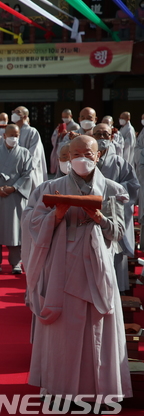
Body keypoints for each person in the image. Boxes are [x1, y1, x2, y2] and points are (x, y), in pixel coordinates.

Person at [22, 135, 132, 402]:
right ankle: (61, 390)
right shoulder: (50, 187)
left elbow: (118, 232)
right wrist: (57, 214)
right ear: (68, 157)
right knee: (64, 330)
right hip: (62, 262)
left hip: (96, 265)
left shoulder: (112, 188)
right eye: (76, 153)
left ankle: (99, 393)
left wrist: (100, 218)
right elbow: (32, 225)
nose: (83, 158)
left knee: (97, 325)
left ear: (99, 155)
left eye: (89, 153)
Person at [92, 124, 139, 292]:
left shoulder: (120, 162)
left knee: (115, 254)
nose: (102, 137)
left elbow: (133, 187)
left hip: (113, 214)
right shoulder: (87, 160)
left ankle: (117, 291)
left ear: (111, 137)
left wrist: (113, 190)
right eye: (98, 134)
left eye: (105, 134)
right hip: (92, 214)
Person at [0, 125, 33, 274]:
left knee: (15, 231)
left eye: (16, 135)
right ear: (4, 136)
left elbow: (28, 174)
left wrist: (14, 187)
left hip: (15, 196)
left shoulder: (25, 153)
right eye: (11, 135)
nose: (14, 138)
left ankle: (16, 263)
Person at [11, 106, 47, 188]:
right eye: (13, 112)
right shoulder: (11, 131)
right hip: (13, 172)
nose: (14, 114)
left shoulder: (32, 132)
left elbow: (34, 154)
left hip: (28, 172)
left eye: (18, 112)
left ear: (25, 116)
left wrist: (23, 167)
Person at [50, 109, 79, 173]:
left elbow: (76, 138)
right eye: (63, 117)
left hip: (70, 149)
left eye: (66, 117)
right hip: (61, 148)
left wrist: (67, 134)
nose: (64, 119)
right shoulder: (61, 125)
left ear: (70, 116)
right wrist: (58, 133)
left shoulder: (75, 126)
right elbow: (55, 137)